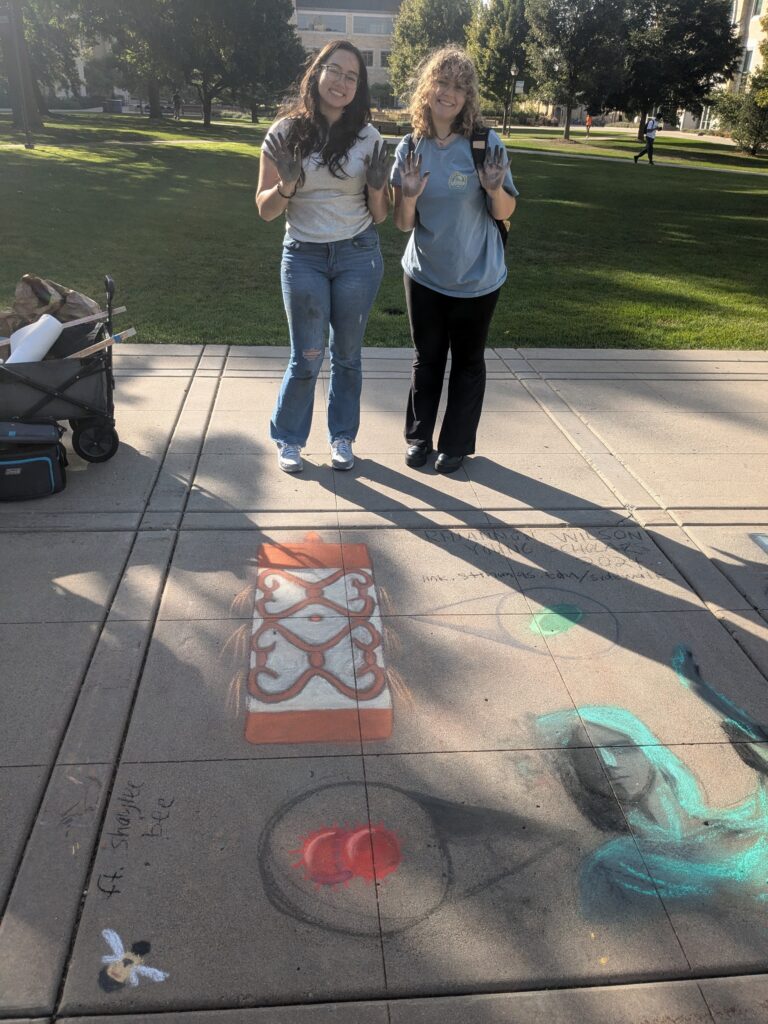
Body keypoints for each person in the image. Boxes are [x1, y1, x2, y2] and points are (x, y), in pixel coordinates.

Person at [256, 41, 393, 473]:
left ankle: (342, 437)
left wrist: (376, 185)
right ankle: (289, 438)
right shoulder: (284, 133)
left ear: (359, 87)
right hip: (304, 257)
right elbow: (265, 210)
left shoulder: (370, 138)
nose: (342, 82)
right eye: (335, 71)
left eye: (352, 77)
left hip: (357, 254)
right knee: (309, 354)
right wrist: (287, 186)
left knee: (348, 355)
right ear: (317, 73)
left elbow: (381, 215)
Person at [391, 47, 518, 474]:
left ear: (468, 97)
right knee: (426, 358)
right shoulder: (410, 146)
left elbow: (504, 212)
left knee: (467, 363)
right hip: (425, 274)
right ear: (428, 88)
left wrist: (494, 187)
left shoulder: (484, 144)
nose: (449, 93)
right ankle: (419, 437)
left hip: (477, 277)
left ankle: (456, 444)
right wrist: (408, 194)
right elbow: (403, 224)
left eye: (459, 87)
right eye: (442, 83)